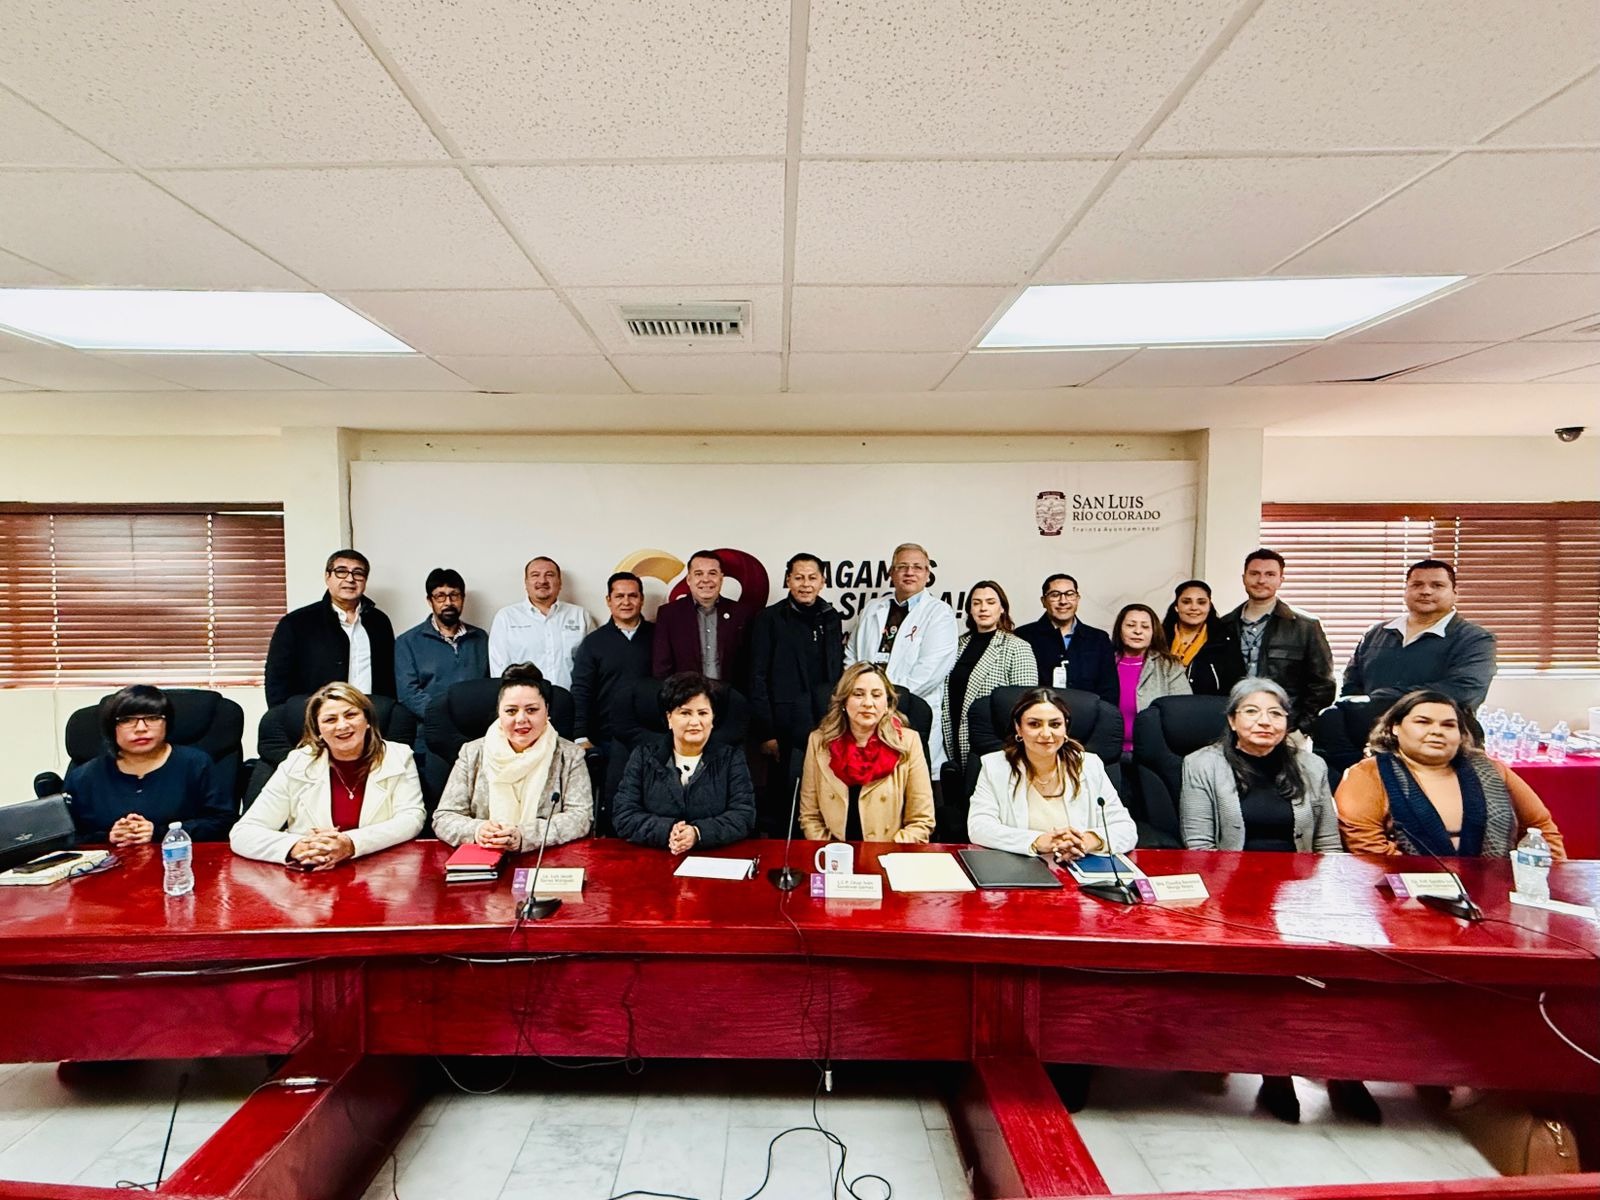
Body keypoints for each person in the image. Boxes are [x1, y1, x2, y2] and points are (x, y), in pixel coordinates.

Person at [1178, 678, 1368, 1125]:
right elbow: (1200, 848)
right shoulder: (1202, 764)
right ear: (1232, 721)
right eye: (1252, 712)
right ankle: (1275, 1072)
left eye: (1276, 713)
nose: (1265, 722)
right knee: (1267, 979)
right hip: (1232, 897)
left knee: (1340, 972)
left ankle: (1344, 1067)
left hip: (1300, 894)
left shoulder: (1312, 765)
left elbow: (1327, 844)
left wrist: (1331, 899)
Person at [1335, 690, 1564, 860]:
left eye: (1448, 725)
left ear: (1460, 734)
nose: (1437, 731)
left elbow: (1540, 827)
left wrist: (1548, 878)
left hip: (1497, 888)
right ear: (1395, 728)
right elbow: (1367, 847)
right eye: (1423, 722)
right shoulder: (1367, 774)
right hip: (1403, 893)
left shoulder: (1492, 770)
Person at [230, 682, 424, 868]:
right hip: (312, 874)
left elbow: (412, 819)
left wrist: (351, 843)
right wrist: (299, 847)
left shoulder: (398, 757)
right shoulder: (297, 763)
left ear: (367, 721)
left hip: (379, 872)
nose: (342, 725)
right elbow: (243, 832)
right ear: (318, 730)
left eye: (351, 715)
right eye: (330, 720)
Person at [431, 664, 592, 850]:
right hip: (484, 854)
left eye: (532, 710)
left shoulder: (569, 755)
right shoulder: (472, 753)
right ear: (499, 712)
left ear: (546, 710)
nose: (521, 719)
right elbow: (444, 817)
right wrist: (478, 830)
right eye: (511, 711)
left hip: (545, 855)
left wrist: (524, 835)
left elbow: (581, 817)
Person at [967, 688, 1135, 858]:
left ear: (1065, 728)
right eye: (1034, 724)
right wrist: (1037, 841)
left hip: (1078, 863)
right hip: (1020, 866)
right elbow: (979, 827)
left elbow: (1126, 829)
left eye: (1055, 724)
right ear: (1018, 728)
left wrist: (1086, 841)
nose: (1046, 734)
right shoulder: (995, 767)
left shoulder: (1088, 765)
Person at [63, 685, 234, 845]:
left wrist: (161, 833)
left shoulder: (196, 764)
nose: (141, 728)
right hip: (108, 862)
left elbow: (224, 822)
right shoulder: (83, 777)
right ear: (111, 727)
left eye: (153, 718)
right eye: (127, 720)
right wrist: (108, 836)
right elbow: (64, 837)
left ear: (167, 723)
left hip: (180, 860)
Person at [748, 553, 844, 827]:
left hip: (824, 721)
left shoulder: (831, 618)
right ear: (788, 580)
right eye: (799, 577)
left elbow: (836, 672)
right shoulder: (769, 619)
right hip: (783, 726)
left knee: (825, 792)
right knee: (784, 796)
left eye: (812, 578)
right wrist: (766, 732)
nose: (805, 584)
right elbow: (757, 676)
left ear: (822, 582)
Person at [844, 542, 959, 772]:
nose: (909, 572)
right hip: (866, 711)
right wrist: (863, 695)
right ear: (891, 572)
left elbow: (931, 671)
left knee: (909, 776)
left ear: (927, 574)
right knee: (865, 776)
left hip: (910, 710)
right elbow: (852, 656)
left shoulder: (939, 613)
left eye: (917, 567)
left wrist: (886, 700)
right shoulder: (872, 608)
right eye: (902, 566)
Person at [612, 672, 757, 853]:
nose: (695, 722)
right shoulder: (643, 757)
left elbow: (743, 815)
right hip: (656, 855)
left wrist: (697, 833)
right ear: (669, 718)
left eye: (703, 713)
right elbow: (624, 816)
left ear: (712, 719)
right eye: (685, 713)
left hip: (713, 857)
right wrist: (668, 830)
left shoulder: (731, 758)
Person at [799, 663, 935, 843]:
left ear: (887, 704)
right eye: (858, 694)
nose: (868, 703)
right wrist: (832, 853)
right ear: (844, 701)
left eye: (876, 695)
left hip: (888, 853)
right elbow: (810, 816)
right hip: (833, 853)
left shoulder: (908, 742)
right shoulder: (819, 742)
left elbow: (921, 821)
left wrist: (885, 854)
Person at [1343, 559, 1497, 711]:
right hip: (1370, 725)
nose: (1425, 591)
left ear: (1455, 593)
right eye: (1417, 585)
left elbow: (1463, 691)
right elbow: (1351, 688)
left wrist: (1378, 700)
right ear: (1405, 591)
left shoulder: (1475, 639)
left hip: (1437, 726)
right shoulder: (1376, 633)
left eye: (1437, 585)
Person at [1217, 550, 1335, 734]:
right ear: (1244, 578)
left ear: (1281, 580)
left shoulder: (1306, 626)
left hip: (1286, 728)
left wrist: (1301, 729)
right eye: (1254, 573)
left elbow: (1323, 685)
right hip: (1231, 728)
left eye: (1270, 574)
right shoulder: (1223, 626)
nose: (1261, 580)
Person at [264, 549, 396, 706]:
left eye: (358, 573)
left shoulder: (380, 622)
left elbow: (390, 675)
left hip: (372, 713)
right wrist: (287, 715)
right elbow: (276, 680)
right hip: (316, 715)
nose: (350, 579)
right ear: (327, 577)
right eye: (341, 572)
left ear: (365, 581)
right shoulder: (296, 623)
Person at [941, 581, 1037, 776]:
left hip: (996, 743)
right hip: (953, 736)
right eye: (976, 603)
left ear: (1002, 608)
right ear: (969, 610)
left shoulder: (1017, 647)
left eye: (990, 602)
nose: (983, 608)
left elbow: (1025, 706)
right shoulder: (957, 645)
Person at [394, 567, 489, 761]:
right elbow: (409, 693)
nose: (448, 602)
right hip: (431, 737)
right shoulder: (407, 642)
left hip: (478, 735)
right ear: (430, 601)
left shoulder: (480, 638)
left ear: (463, 599)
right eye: (440, 596)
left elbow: (489, 683)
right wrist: (444, 717)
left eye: (454, 595)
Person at [570, 572, 656, 755]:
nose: (626, 602)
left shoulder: (659, 636)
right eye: (619, 596)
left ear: (642, 599)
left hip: (653, 736)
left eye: (632, 596)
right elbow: (581, 690)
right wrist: (581, 735)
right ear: (608, 600)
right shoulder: (593, 643)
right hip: (607, 738)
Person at [488, 557, 597, 687]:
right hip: (524, 698)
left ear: (560, 582)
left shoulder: (580, 615)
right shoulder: (506, 617)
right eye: (535, 575)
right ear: (526, 583)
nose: (542, 581)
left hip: (571, 697)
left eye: (549, 575)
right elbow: (499, 669)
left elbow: (594, 664)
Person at [651, 550, 752, 684]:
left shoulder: (741, 613)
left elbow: (749, 662)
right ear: (689, 579)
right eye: (698, 574)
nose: (706, 579)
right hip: (686, 694)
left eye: (712, 573)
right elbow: (662, 666)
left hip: (729, 693)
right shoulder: (669, 614)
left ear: (721, 578)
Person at [1016, 574, 1118, 705]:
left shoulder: (1098, 639)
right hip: (1040, 714)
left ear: (1077, 599)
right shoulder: (1024, 636)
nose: (1063, 601)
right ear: (1043, 601)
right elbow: (1018, 691)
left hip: (1087, 714)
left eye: (1070, 594)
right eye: (1055, 595)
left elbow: (1109, 691)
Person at [1111, 603, 1191, 753]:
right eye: (1130, 625)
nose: (1138, 631)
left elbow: (1183, 710)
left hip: (1155, 750)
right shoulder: (1105, 661)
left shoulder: (1169, 665)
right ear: (1119, 629)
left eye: (1145, 627)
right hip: (1109, 749)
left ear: (1154, 632)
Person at [1161, 580, 1244, 697]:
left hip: (1209, 707)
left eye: (1201, 602)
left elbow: (1235, 685)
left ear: (1209, 606)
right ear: (1176, 606)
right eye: (1186, 602)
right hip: (1163, 705)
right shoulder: (1158, 638)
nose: (1194, 607)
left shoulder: (1225, 640)